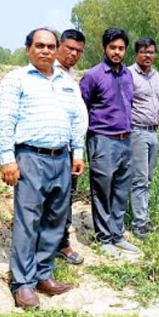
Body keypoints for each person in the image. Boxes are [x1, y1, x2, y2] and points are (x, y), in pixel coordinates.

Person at [0, 28, 86, 309]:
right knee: (28, 221)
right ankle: (22, 284)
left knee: (55, 220)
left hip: (61, 158)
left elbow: (75, 119)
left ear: (56, 49)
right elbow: (5, 119)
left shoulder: (65, 81)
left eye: (50, 46)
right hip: (30, 157)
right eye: (39, 45)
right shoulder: (17, 79)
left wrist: (78, 151)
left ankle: (43, 274)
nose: (45, 50)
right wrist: (7, 158)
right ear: (28, 49)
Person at [79, 27, 139, 258]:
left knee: (121, 190)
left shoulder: (127, 75)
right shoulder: (93, 76)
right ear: (104, 48)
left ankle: (117, 235)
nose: (116, 52)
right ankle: (103, 238)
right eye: (112, 47)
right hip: (102, 140)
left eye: (121, 48)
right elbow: (82, 108)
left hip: (125, 140)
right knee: (102, 190)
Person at [53, 29, 87, 265]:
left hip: (68, 149)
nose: (73, 54)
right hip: (48, 150)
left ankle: (61, 244)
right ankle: (46, 246)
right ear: (58, 47)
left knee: (65, 199)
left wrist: (78, 151)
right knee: (49, 200)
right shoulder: (48, 75)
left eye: (78, 51)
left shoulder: (70, 76)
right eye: (69, 48)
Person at [128, 38, 159, 240]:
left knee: (148, 177)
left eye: (151, 52)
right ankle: (139, 223)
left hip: (153, 132)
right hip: (137, 131)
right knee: (139, 178)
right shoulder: (129, 74)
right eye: (143, 52)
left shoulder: (156, 76)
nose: (147, 55)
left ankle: (144, 216)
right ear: (136, 54)